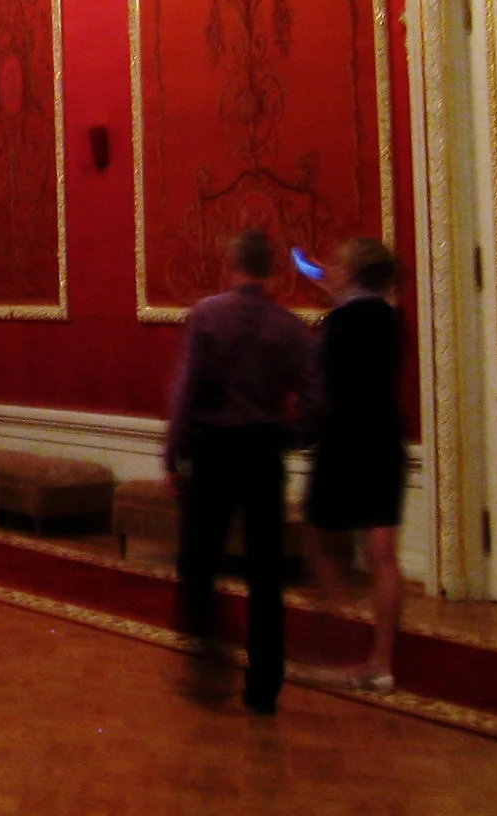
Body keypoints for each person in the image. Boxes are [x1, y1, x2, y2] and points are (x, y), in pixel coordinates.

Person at [161, 228, 323, 716]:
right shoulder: (290, 327)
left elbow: (186, 390)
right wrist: (291, 436)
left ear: (231, 263)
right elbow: (315, 399)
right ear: (271, 269)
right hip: (262, 453)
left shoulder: (209, 315)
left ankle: (211, 651)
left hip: (212, 450)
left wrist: (173, 454)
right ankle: (263, 686)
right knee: (266, 572)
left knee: (198, 560)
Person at [302, 238, 407, 692]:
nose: (330, 267)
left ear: (355, 272)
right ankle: (381, 661)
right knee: (383, 556)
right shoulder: (389, 318)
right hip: (384, 438)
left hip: (344, 439)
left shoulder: (340, 322)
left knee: (321, 541)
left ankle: (339, 634)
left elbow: (323, 382)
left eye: (338, 264)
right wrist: (331, 298)